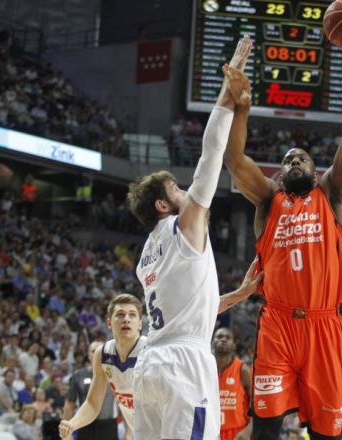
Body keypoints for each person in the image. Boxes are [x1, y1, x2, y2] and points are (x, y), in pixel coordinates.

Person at [223, 27, 342, 439]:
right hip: (277, 326)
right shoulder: (267, 200)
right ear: (278, 172)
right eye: (288, 158)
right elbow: (235, 160)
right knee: (266, 431)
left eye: (302, 158)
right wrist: (241, 108)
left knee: (327, 434)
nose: (294, 160)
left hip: (324, 327)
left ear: (315, 169)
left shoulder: (333, 194)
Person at [128, 36, 260, 439]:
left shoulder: (147, 255)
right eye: (175, 189)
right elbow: (210, 155)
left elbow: (188, 309)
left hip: (150, 365)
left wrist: (237, 295)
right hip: (184, 365)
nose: (185, 191)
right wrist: (228, 93)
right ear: (163, 207)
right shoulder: (184, 226)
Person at [59, 294, 145, 440]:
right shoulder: (102, 354)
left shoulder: (151, 352)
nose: (126, 319)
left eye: (132, 315)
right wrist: (72, 424)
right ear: (109, 323)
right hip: (139, 432)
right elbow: (92, 404)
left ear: (140, 324)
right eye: (120, 314)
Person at [62, 341, 118, 440]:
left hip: (109, 426)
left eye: (101, 351)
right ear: (88, 355)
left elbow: (124, 403)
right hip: (85, 427)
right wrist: (66, 431)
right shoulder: (78, 375)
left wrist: (128, 431)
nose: (97, 353)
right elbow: (70, 404)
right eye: (93, 351)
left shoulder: (116, 374)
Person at [213, 327, 252, 440]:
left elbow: (256, 405)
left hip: (237, 433)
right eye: (219, 337)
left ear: (234, 345)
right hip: (209, 430)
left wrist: (248, 431)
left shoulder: (243, 370)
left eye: (228, 337)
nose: (223, 339)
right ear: (212, 342)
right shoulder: (205, 368)